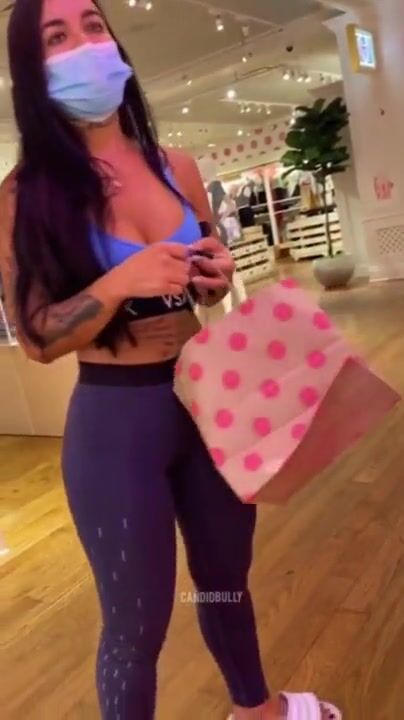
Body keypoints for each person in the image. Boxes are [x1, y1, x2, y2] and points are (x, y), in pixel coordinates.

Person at [0, 1, 340, 719]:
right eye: (56, 36)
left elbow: (205, 275)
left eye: (93, 24)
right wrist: (118, 282)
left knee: (225, 581)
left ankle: (257, 710)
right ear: (32, 69)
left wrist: (213, 274)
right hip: (115, 423)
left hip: (206, 397)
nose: (84, 43)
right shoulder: (26, 196)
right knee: (137, 624)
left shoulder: (175, 166)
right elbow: (35, 337)